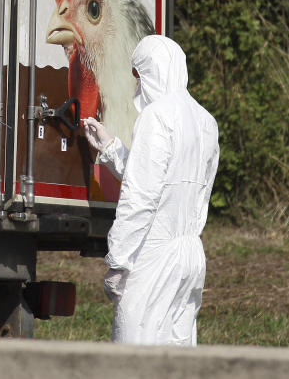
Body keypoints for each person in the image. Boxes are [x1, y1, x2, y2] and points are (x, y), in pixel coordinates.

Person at [84, 35, 219, 346]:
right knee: (177, 352)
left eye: (138, 74)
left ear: (151, 72)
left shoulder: (156, 116)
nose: (137, 84)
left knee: (136, 354)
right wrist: (111, 147)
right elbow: (172, 181)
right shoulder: (205, 121)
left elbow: (141, 197)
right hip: (190, 256)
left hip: (154, 258)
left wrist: (118, 262)